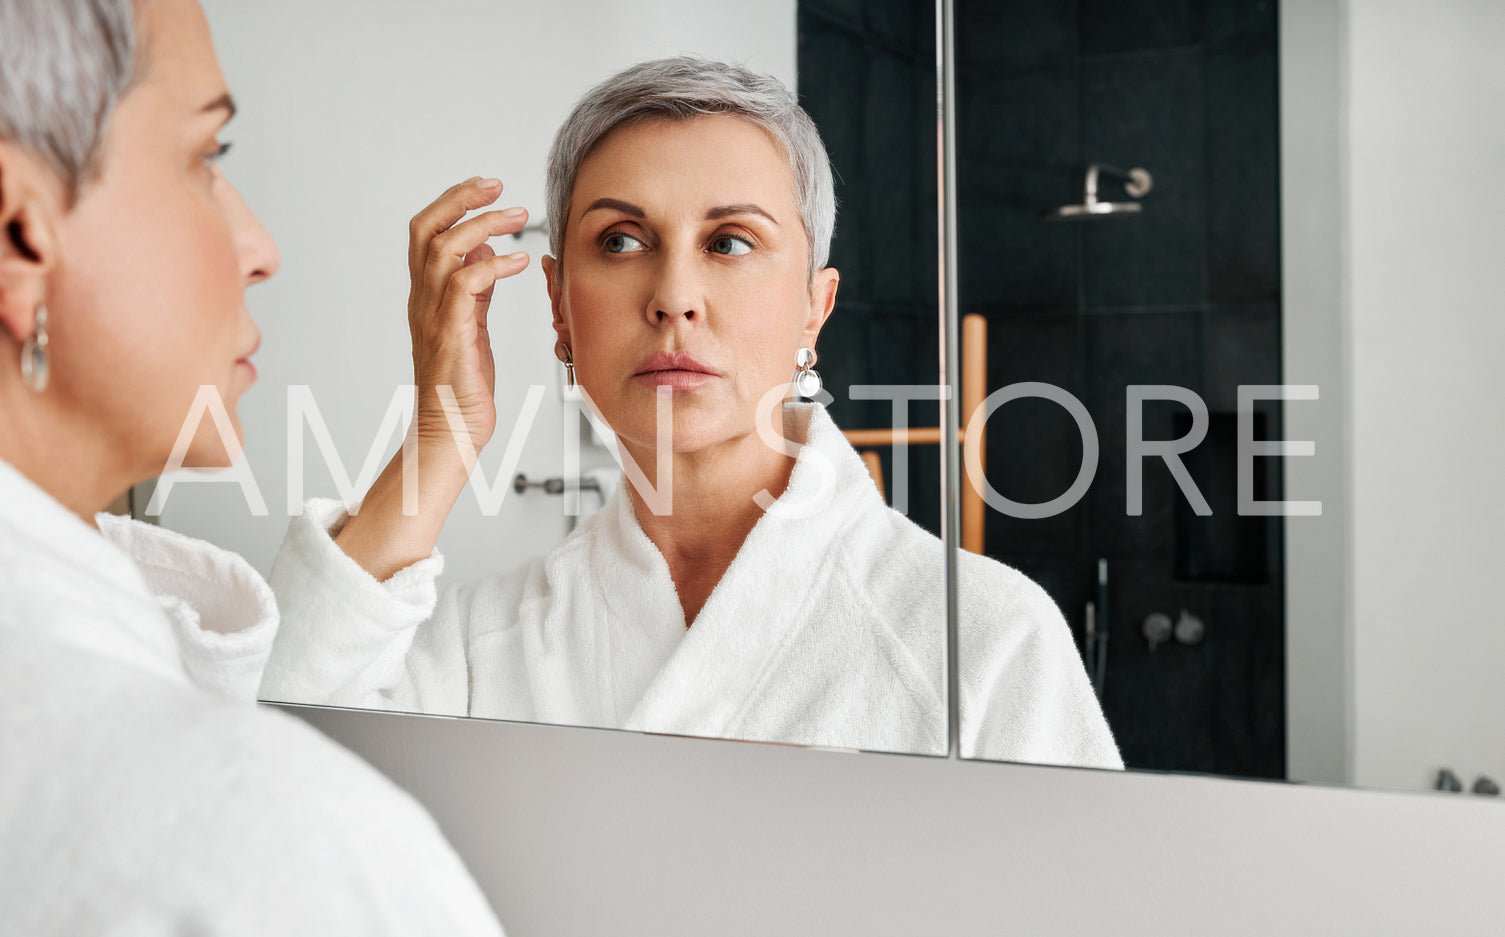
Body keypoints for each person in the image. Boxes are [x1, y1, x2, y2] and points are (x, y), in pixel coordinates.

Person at [263, 57, 1121, 768]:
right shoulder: (479, 644)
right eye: (622, 242)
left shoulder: (981, 639)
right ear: (560, 307)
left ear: (813, 310)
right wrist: (442, 435)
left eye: (730, 242)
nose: (673, 296)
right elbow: (271, 789)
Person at [0, 0, 505, 931]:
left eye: (728, 242)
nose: (262, 251)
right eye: (207, 157)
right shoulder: (289, 859)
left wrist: (444, 438)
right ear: (20, 235)